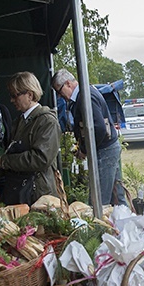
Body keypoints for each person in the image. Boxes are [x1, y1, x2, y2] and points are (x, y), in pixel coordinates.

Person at [52, 68, 126, 206]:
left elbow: (98, 128)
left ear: (68, 84)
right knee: (116, 198)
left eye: (59, 91)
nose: (60, 96)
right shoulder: (84, 95)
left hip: (105, 151)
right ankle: (127, 224)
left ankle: (102, 226)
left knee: (99, 200)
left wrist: (85, 150)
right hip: (107, 148)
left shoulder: (86, 97)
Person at [0, 71, 61, 205]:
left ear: (29, 94)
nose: (11, 100)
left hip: (39, 196)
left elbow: (41, 159)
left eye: (14, 95)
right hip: (19, 192)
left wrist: (4, 161)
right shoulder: (19, 121)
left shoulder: (47, 122)